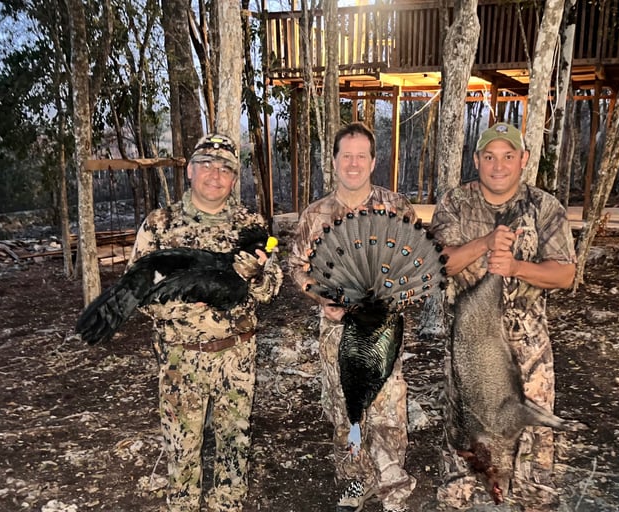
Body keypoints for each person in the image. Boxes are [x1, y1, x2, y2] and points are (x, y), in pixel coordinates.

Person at [126, 133, 283, 512]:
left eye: (225, 169)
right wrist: (182, 300)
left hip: (237, 357)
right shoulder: (160, 225)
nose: (215, 175)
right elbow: (135, 291)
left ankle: (227, 504)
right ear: (190, 171)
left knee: (234, 448)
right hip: (181, 359)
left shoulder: (251, 224)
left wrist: (256, 276)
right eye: (206, 165)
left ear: (234, 178)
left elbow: (272, 287)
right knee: (182, 450)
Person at [429, 122, 577, 511]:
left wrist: (514, 268)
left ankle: (530, 496)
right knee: (464, 436)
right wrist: (484, 243)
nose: (499, 166)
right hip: (470, 348)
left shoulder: (545, 207)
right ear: (477, 160)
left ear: (523, 159)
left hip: (528, 351)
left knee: (532, 449)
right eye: (490, 157)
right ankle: (462, 493)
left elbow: (565, 274)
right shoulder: (455, 204)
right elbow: (438, 264)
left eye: (508, 156)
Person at [289, 122, 416, 512]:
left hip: (381, 330)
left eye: (362, 156)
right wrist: (321, 297)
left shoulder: (397, 208)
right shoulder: (315, 215)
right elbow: (298, 268)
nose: (354, 164)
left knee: (389, 410)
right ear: (334, 161)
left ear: (374, 162)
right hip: (337, 333)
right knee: (346, 411)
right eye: (347, 156)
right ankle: (356, 480)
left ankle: (393, 486)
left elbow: (417, 264)